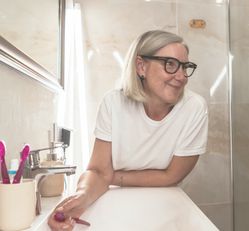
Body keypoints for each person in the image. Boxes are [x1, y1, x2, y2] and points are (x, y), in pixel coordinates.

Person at [48, 30, 208, 230]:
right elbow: (97, 170)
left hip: (166, 203)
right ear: (141, 66)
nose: (182, 76)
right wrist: (79, 199)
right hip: (115, 200)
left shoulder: (194, 107)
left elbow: (172, 176)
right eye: (170, 64)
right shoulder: (113, 103)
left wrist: (109, 177)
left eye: (185, 67)